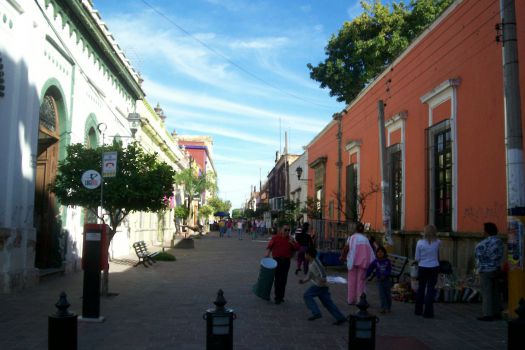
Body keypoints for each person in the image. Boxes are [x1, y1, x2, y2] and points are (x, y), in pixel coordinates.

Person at [299, 246, 347, 325]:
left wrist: (323, 279)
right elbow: (310, 275)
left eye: (305, 254)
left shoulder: (316, 262)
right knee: (328, 303)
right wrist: (303, 281)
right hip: (322, 286)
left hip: (319, 285)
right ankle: (340, 317)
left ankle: (316, 312)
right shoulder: (311, 263)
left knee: (307, 295)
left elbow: (322, 272)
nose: (304, 256)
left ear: (308, 255)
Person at [475, 222, 504, 321]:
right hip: (496, 268)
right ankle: (497, 311)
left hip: (486, 270)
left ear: (486, 232)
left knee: (486, 292)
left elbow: (478, 256)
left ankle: (487, 314)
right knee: (495, 291)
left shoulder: (482, 244)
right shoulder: (499, 241)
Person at [342, 222, 376, 305]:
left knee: (351, 281)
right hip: (363, 263)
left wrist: (343, 257)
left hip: (352, 262)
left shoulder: (351, 238)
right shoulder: (365, 239)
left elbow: (346, 248)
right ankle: (360, 300)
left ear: (355, 229)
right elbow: (370, 252)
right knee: (361, 282)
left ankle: (350, 300)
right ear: (363, 229)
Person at [265, 223, 299, 304]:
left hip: (286, 261)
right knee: (277, 279)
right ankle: (277, 297)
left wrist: (292, 242)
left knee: (284, 279)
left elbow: (297, 248)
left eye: (288, 230)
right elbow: (270, 246)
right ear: (281, 230)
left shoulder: (291, 239)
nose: (287, 231)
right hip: (277, 260)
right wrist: (267, 254)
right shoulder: (276, 238)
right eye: (285, 230)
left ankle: (281, 296)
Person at [414, 224, 441, 318]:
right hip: (434, 267)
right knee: (430, 289)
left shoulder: (420, 243)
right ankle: (428, 312)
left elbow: (417, 257)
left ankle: (418, 310)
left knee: (421, 288)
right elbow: (438, 255)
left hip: (422, 266)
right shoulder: (437, 242)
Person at [365, 246, 392, 314]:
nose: (380, 253)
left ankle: (388, 307)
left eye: (381, 252)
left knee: (388, 295)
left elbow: (389, 270)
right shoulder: (375, 261)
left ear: (384, 253)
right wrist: (366, 275)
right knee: (382, 295)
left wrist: (385, 275)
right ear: (376, 253)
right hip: (380, 281)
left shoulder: (387, 261)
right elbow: (370, 268)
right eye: (378, 252)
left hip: (387, 280)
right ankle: (383, 308)